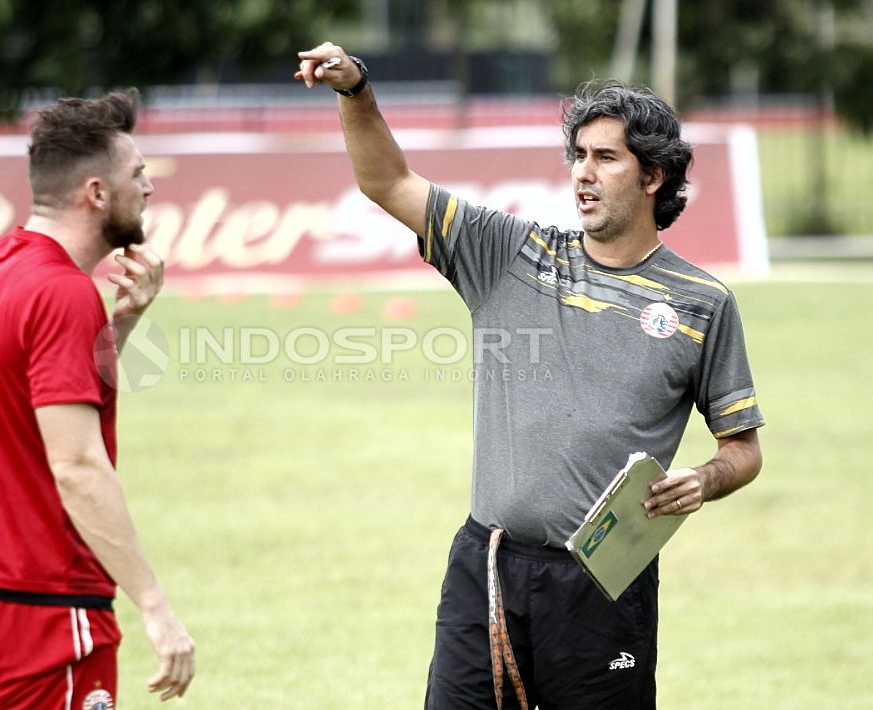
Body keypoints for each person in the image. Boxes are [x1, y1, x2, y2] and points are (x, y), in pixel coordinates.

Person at [296, 44, 764, 709]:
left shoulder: (702, 303)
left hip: (605, 584)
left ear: (654, 175)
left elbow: (743, 449)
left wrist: (703, 480)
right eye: (577, 156)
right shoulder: (509, 253)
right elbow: (389, 183)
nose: (583, 173)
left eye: (605, 157)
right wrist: (356, 91)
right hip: (486, 568)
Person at [0, 90, 195, 708]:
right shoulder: (62, 293)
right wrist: (156, 609)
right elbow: (76, 464)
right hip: (46, 609)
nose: (149, 189)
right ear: (98, 194)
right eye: (137, 175)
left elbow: (46, 402)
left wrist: (122, 326)